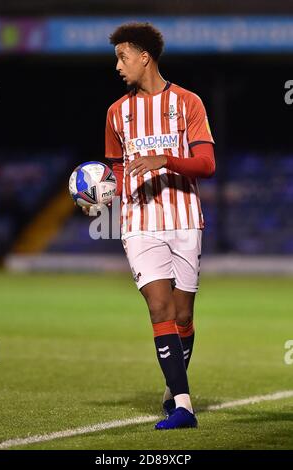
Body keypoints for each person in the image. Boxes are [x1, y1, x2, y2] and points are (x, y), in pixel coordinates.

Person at [87, 22, 215, 430]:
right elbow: (116, 170)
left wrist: (165, 160)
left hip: (183, 219)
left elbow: (207, 165)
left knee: (182, 314)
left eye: (122, 57)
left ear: (145, 55)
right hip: (140, 222)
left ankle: (173, 386)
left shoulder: (188, 103)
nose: (118, 66)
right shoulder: (116, 113)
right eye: (116, 59)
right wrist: (99, 193)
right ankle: (183, 405)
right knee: (159, 306)